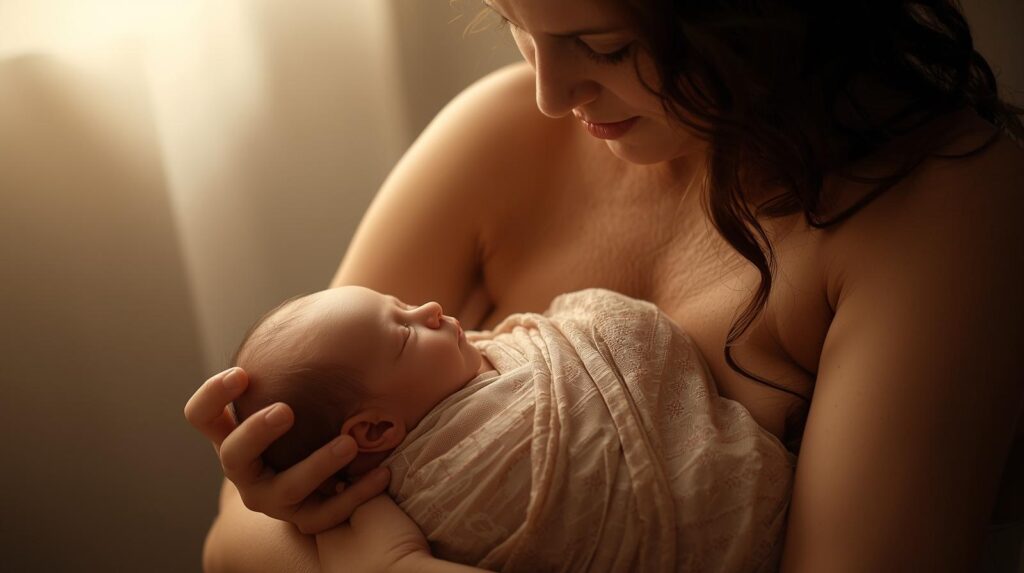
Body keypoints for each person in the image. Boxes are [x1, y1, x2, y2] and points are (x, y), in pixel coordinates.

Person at [184, 0, 1024, 571]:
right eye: (515, 21)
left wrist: (354, 554)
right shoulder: (499, 131)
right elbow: (230, 541)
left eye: (608, 46)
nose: (552, 94)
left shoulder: (938, 200)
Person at [229, 285, 796, 571]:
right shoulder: (400, 498)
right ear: (375, 431)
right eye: (404, 332)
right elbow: (220, 552)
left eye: (401, 303)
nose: (428, 308)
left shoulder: (465, 363)